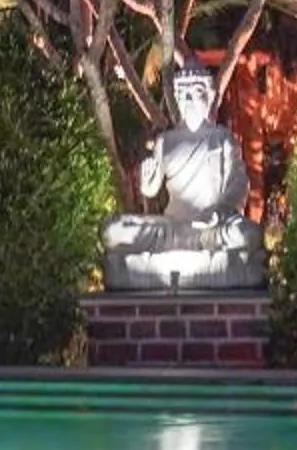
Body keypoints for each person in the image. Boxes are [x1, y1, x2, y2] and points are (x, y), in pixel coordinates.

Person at [102, 63, 267, 291]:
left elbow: (239, 183)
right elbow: (151, 190)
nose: (188, 99)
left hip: (210, 230)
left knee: (248, 234)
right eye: (182, 94)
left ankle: (189, 257)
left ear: (209, 97)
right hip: (171, 228)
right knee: (113, 231)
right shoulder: (165, 141)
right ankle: (200, 258)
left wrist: (219, 212)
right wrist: (147, 184)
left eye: (195, 93)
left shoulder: (221, 138)